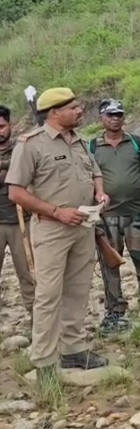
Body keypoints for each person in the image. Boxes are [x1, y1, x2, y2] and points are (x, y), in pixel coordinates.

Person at [5, 87, 112, 376]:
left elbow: (95, 173)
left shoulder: (80, 141)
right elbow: (16, 192)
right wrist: (56, 212)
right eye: (73, 107)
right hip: (51, 230)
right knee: (48, 295)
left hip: (84, 227)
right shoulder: (31, 145)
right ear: (54, 112)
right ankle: (44, 360)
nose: (80, 110)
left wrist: (100, 192)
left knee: (78, 290)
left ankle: (73, 349)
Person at [88, 98, 140, 333]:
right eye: (110, 115)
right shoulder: (92, 147)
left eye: (119, 114)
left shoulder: (136, 143)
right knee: (109, 264)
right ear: (102, 118)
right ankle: (115, 311)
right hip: (107, 217)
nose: (115, 119)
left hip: (137, 214)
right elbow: (88, 179)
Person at [0, 105, 36, 329]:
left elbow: (27, 172)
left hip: (21, 221)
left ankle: (37, 321)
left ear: (9, 125)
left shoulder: (21, 148)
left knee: (29, 274)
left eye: (1, 126)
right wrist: (10, 170)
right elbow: (13, 174)